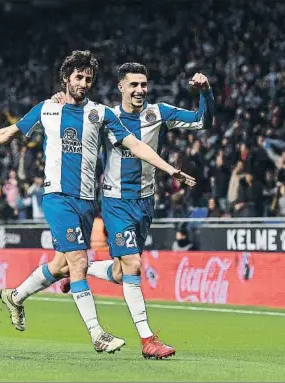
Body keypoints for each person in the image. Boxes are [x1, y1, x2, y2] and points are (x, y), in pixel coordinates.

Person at [0, 51, 195, 354]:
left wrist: (168, 169)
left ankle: (15, 296)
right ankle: (97, 334)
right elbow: (7, 133)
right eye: (78, 77)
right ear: (66, 79)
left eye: (88, 78)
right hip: (57, 197)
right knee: (77, 261)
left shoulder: (102, 114)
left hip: (87, 201)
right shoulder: (47, 110)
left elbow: (134, 144)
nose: (83, 83)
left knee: (63, 264)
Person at [52, 62, 213, 359]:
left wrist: (205, 92)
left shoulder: (159, 113)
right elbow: (74, 117)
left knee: (119, 271)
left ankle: (78, 270)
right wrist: (61, 101)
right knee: (134, 264)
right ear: (121, 88)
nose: (140, 90)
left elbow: (202, 121)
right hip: (115, 203)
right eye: (134, 85)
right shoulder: (105, 116)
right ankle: (147, 340)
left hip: (145, 202)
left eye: (143, 84)